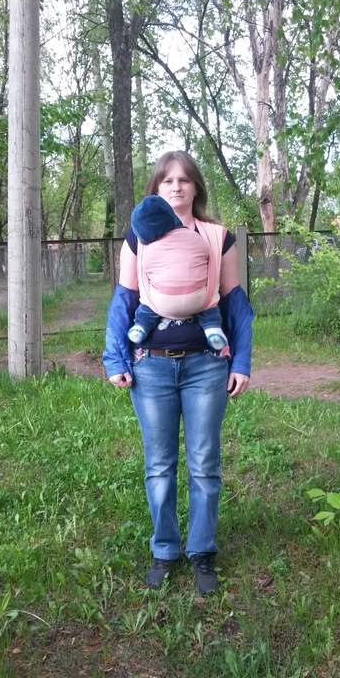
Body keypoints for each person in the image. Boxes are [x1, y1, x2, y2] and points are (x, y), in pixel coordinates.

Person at [103, 150, 254, 596]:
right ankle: (165, 549)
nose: (176, 187)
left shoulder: (217, 237)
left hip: (207, 367)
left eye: (184, 179)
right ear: (156, 188)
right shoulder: (138, 238)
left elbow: (235, 303)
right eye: (167, 180)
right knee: (159, 465)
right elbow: (124, 300)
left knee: (204, 463)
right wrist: (115, 358)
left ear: (196, 187)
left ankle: (202, 550)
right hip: (150, 367)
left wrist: (241, 361)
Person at [127, 194, 228, 351]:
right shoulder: (196, 237)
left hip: (162, 302)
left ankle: (141, 326)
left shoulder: (149, 249)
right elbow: (206, 254)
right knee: (210, 304)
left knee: (147, 304)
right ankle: (212, 328)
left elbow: (146, 270)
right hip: (198, 300)